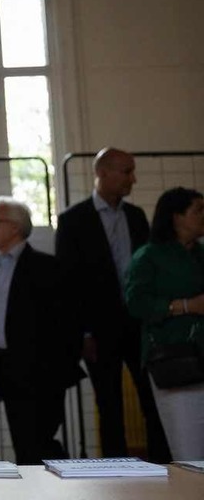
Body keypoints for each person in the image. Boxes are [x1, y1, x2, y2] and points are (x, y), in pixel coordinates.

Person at [55, 147, 170, 462]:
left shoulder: (136, 217)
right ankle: (117, 474)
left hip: (139, 325)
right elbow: (69, 285)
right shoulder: (73, 220)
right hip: (98, 330)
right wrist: (83, 333)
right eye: (126, 171)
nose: (133, 178)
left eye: (132, 171)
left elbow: (149, 273)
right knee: (109, 405)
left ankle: (163, 467)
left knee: (152, 400)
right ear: (102, 173)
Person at [0, 197, 82, 464]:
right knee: (23, 443)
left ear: (15, 227)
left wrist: (58, 368)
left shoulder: (46, 267)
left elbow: (67, 324)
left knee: (40, 443)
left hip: (40, 373)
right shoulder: (0, 266)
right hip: (7, 369)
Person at [125, 187, 204, 460]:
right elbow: (136, 303)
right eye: (198, 210)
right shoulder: (149, 257)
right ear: (177, 217)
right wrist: (184, 306)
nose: (203, 216)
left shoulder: (200, 254)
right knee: (190, 450)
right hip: (176, 361)